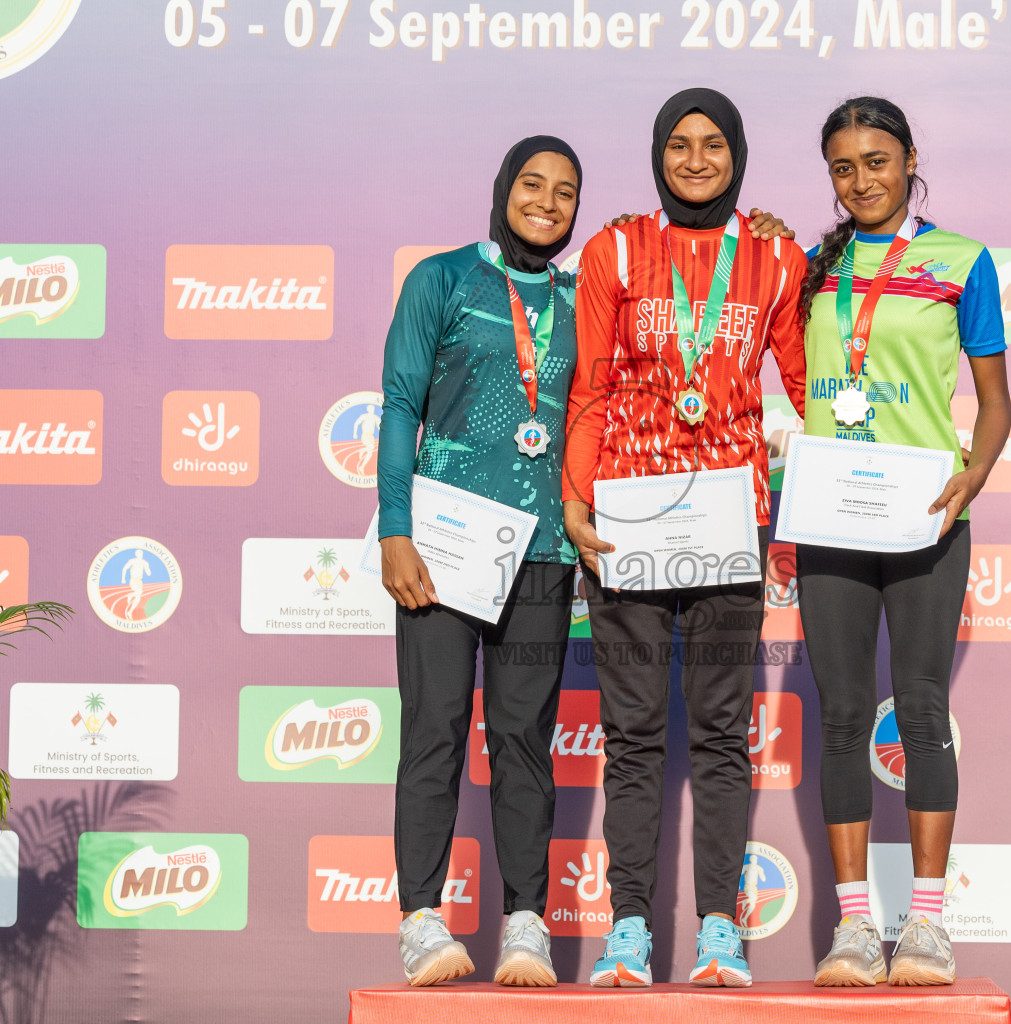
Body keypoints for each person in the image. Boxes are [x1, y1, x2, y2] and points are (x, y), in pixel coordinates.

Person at [563, 87, 808, 988]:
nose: (696, 160)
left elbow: (811, 379)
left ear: (738, 153)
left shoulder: (775, 257)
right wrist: (576, 500)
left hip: (728, 522)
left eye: (713, 144)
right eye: (678, 144)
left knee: (718, 737)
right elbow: (590, 386)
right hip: (629, 518)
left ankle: (718, 934)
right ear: (656, 154)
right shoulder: (616, 248)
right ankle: (627, 930)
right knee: (631, 736)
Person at [794, 96, 1011, 987]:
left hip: (925, 516)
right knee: (843, 716)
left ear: (910, 158)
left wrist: (973, 477)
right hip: (831, 520)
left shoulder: (963, 260)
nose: (862, 181)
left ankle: (925, 926)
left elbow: (995, 404)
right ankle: (853, 930)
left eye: (877, 161)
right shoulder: (812, 265)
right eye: (843, 167)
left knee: (921, 711)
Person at [377, 136, 583, 988]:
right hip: (446, 546)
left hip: (542, 553)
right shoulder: (445, 279)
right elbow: (398, 404)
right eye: (531, 184)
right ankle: (422, 921)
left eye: (566, 190)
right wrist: (394, 528)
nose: (547, 200)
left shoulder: (581, 300)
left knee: (526, 742)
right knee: (432, 735)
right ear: (501, 190)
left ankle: (525, 922)